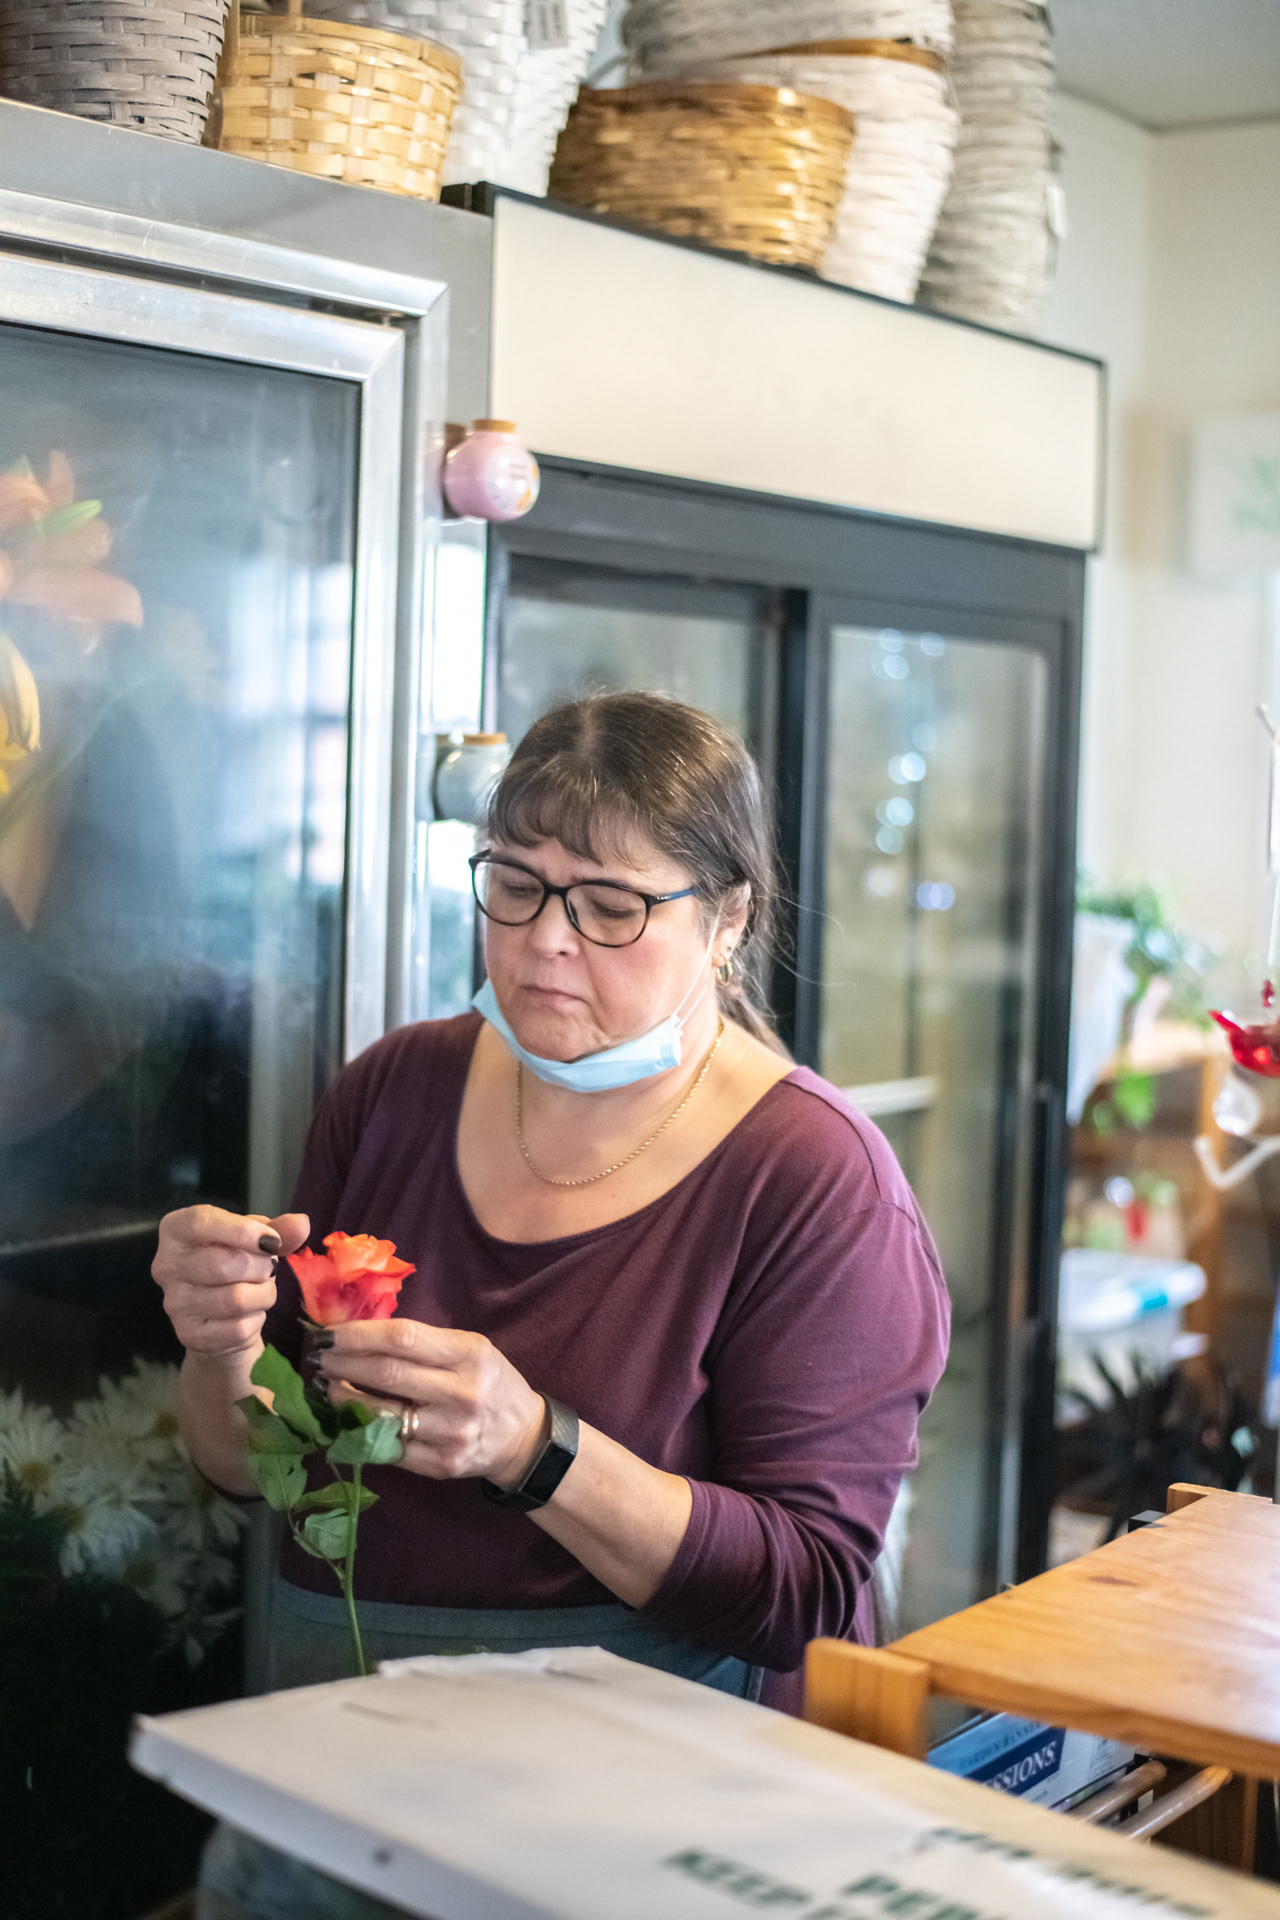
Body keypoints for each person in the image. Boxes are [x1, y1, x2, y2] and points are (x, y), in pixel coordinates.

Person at [155, 690, 949, 1916]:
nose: (542, 943)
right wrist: (220, 1350)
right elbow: (249, 1468)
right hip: (330, 1756)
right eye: (512, 884)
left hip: (629, 1824)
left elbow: (806, 1588)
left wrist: (533, 1447)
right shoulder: (395, 1090)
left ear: (728, 915)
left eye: (610, 906)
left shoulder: (810, 1178)